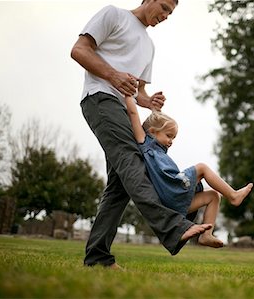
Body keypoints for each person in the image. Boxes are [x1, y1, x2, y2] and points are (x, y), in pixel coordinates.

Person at [70, 0, 211, 269]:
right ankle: (172, 227)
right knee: (134, 162)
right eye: (164, 7)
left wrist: (149, 102)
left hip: (124, 109)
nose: (166, 15)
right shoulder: (114, 15)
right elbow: (79, 50)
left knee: (120, 185)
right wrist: (113, 76)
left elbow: (138, 91)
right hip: (100, 99)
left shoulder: (149, 46)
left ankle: (98, 257)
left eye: (171, 12)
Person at [125, 95, 254, 248]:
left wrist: (154, 110)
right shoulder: (146, 143)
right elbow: (133, 114)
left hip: (174, 199)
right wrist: (129, 95)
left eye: (173, 137)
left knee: (214, 196)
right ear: (152, 132)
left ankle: (206, 236)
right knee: (202, 168)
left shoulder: (160, 150)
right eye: (169, 136)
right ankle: (233, 196)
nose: (171, 141)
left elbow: (155, 121)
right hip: (171, 189)